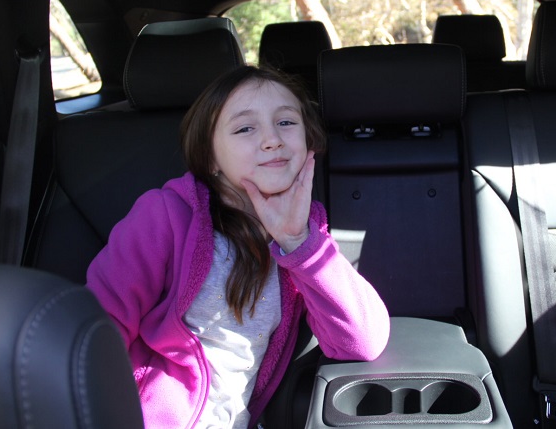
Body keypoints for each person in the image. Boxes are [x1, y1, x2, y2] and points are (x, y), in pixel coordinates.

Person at [86, 65, 390, 429]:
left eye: (286, 122)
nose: (272, 140)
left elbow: (362, 341)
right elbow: (94, 332)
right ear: (210, 158)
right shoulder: (165, 215)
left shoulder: (305, 235)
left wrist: (297, 241)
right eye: (245, 128)